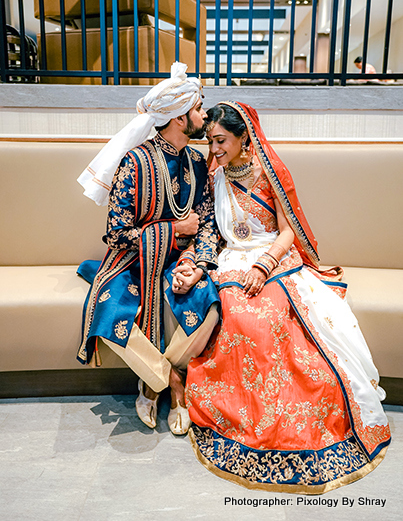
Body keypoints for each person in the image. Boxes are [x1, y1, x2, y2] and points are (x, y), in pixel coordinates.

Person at [184, 101, 391, 492]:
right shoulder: (215, 177)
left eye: (221, 141)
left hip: (275, 259)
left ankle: (298, 415)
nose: (214, 150)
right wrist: (198, 262)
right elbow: (210, 231)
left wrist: (264, 265)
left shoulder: (270, 173)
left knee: (274, 316)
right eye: (210, 142)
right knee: (241, 316)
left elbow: (287, 231)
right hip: (232, 262)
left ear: (245, 137)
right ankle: (249, 417)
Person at [76, 62, 219, 435]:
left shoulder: (198, 163)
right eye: (198, 109)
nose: (204, 116)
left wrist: (197, 262)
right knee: (108, 314)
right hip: (131, 261)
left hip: (180, 260)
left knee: (210, 307)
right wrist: (173, 230)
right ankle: (171, 382)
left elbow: (206, 223)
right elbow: (116, 232)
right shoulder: (135, 162)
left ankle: (149, 378)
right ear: (178, 117)